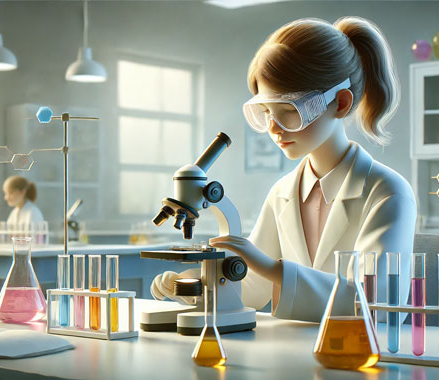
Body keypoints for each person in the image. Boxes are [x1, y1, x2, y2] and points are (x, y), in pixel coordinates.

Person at [151, 17, 416, 323]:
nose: (274, 129)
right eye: (265, 113)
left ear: (340, 103)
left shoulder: (387, 192)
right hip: (290, 355)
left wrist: (271, 267)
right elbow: (251, 289)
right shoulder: (283, 193)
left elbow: (376, 303)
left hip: (360, 359)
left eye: (289, 112)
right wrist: (193, 285)